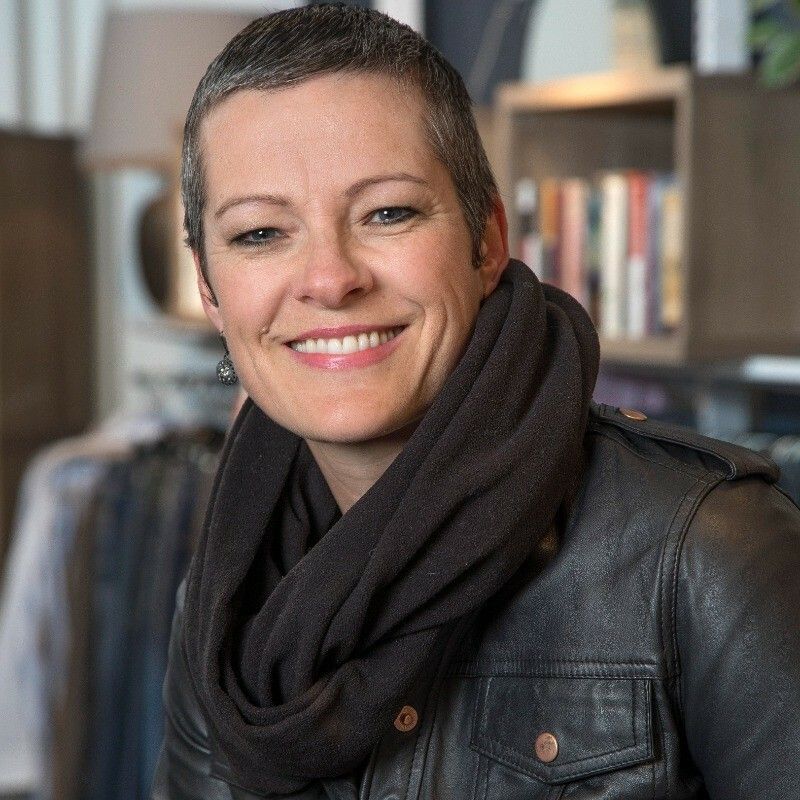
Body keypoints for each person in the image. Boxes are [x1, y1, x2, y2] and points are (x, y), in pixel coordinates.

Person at [151, 6, 800, 799]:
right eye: (260, 233)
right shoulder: (223, 599)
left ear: (487, 240)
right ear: (210, 288)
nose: (330, 279)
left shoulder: (707, 553)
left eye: (387, 213)